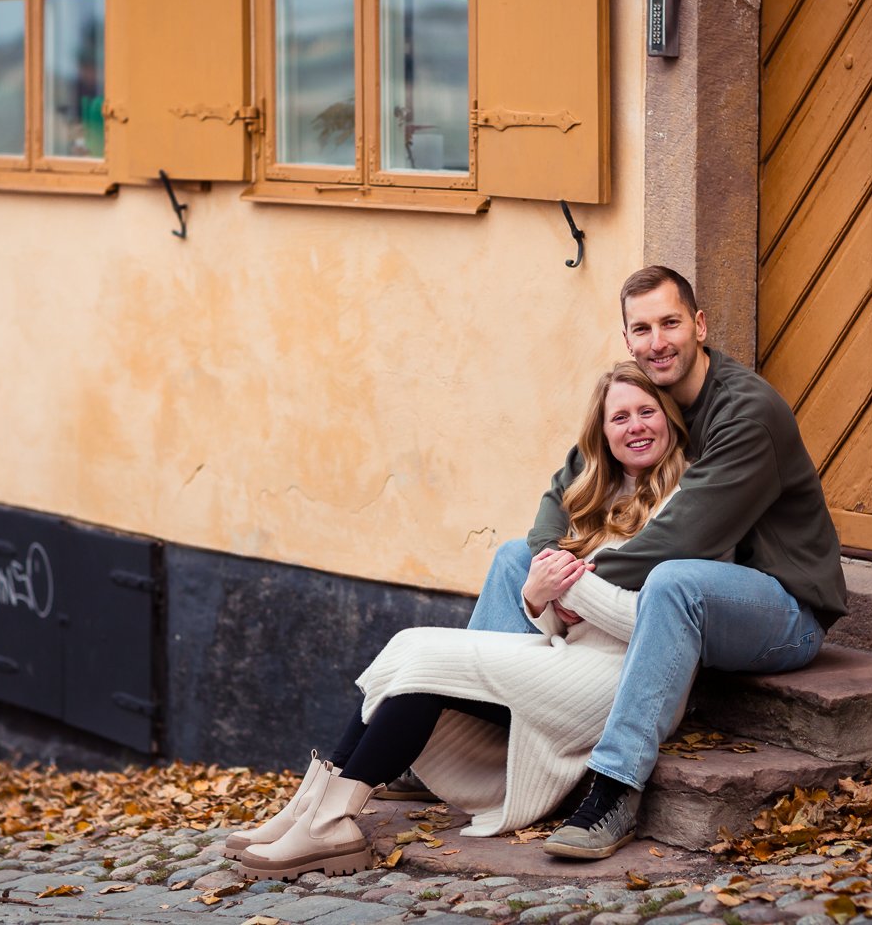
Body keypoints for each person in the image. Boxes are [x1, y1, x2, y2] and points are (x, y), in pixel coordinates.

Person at [224, 362, 693, 880]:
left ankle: (330, 820)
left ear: (669, 418)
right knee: (409, 645)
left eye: (647, 411)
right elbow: (565, 618)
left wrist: (570, 588)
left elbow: (663, 621)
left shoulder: (688, 500)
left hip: (617, 679)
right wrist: (538, 602)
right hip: (568, 658)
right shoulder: (595, 495)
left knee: (428, 659)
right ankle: (314, 809)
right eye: (620, 417)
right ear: (602, 433)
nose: (635, 427)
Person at [466, 265, 849, 860]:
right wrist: (546, 561)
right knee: (515, 556)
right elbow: (567, 484)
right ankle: (475, 727)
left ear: (699, 325)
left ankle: (615, 789)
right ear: (628, 340)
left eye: (670, 323)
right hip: (699, 589)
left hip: (781, 610)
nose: (657, 342)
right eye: (641, 329)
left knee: (674, 581)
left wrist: (568, 586)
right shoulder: (649, 393)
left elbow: (680, 539)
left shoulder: (746, 412)